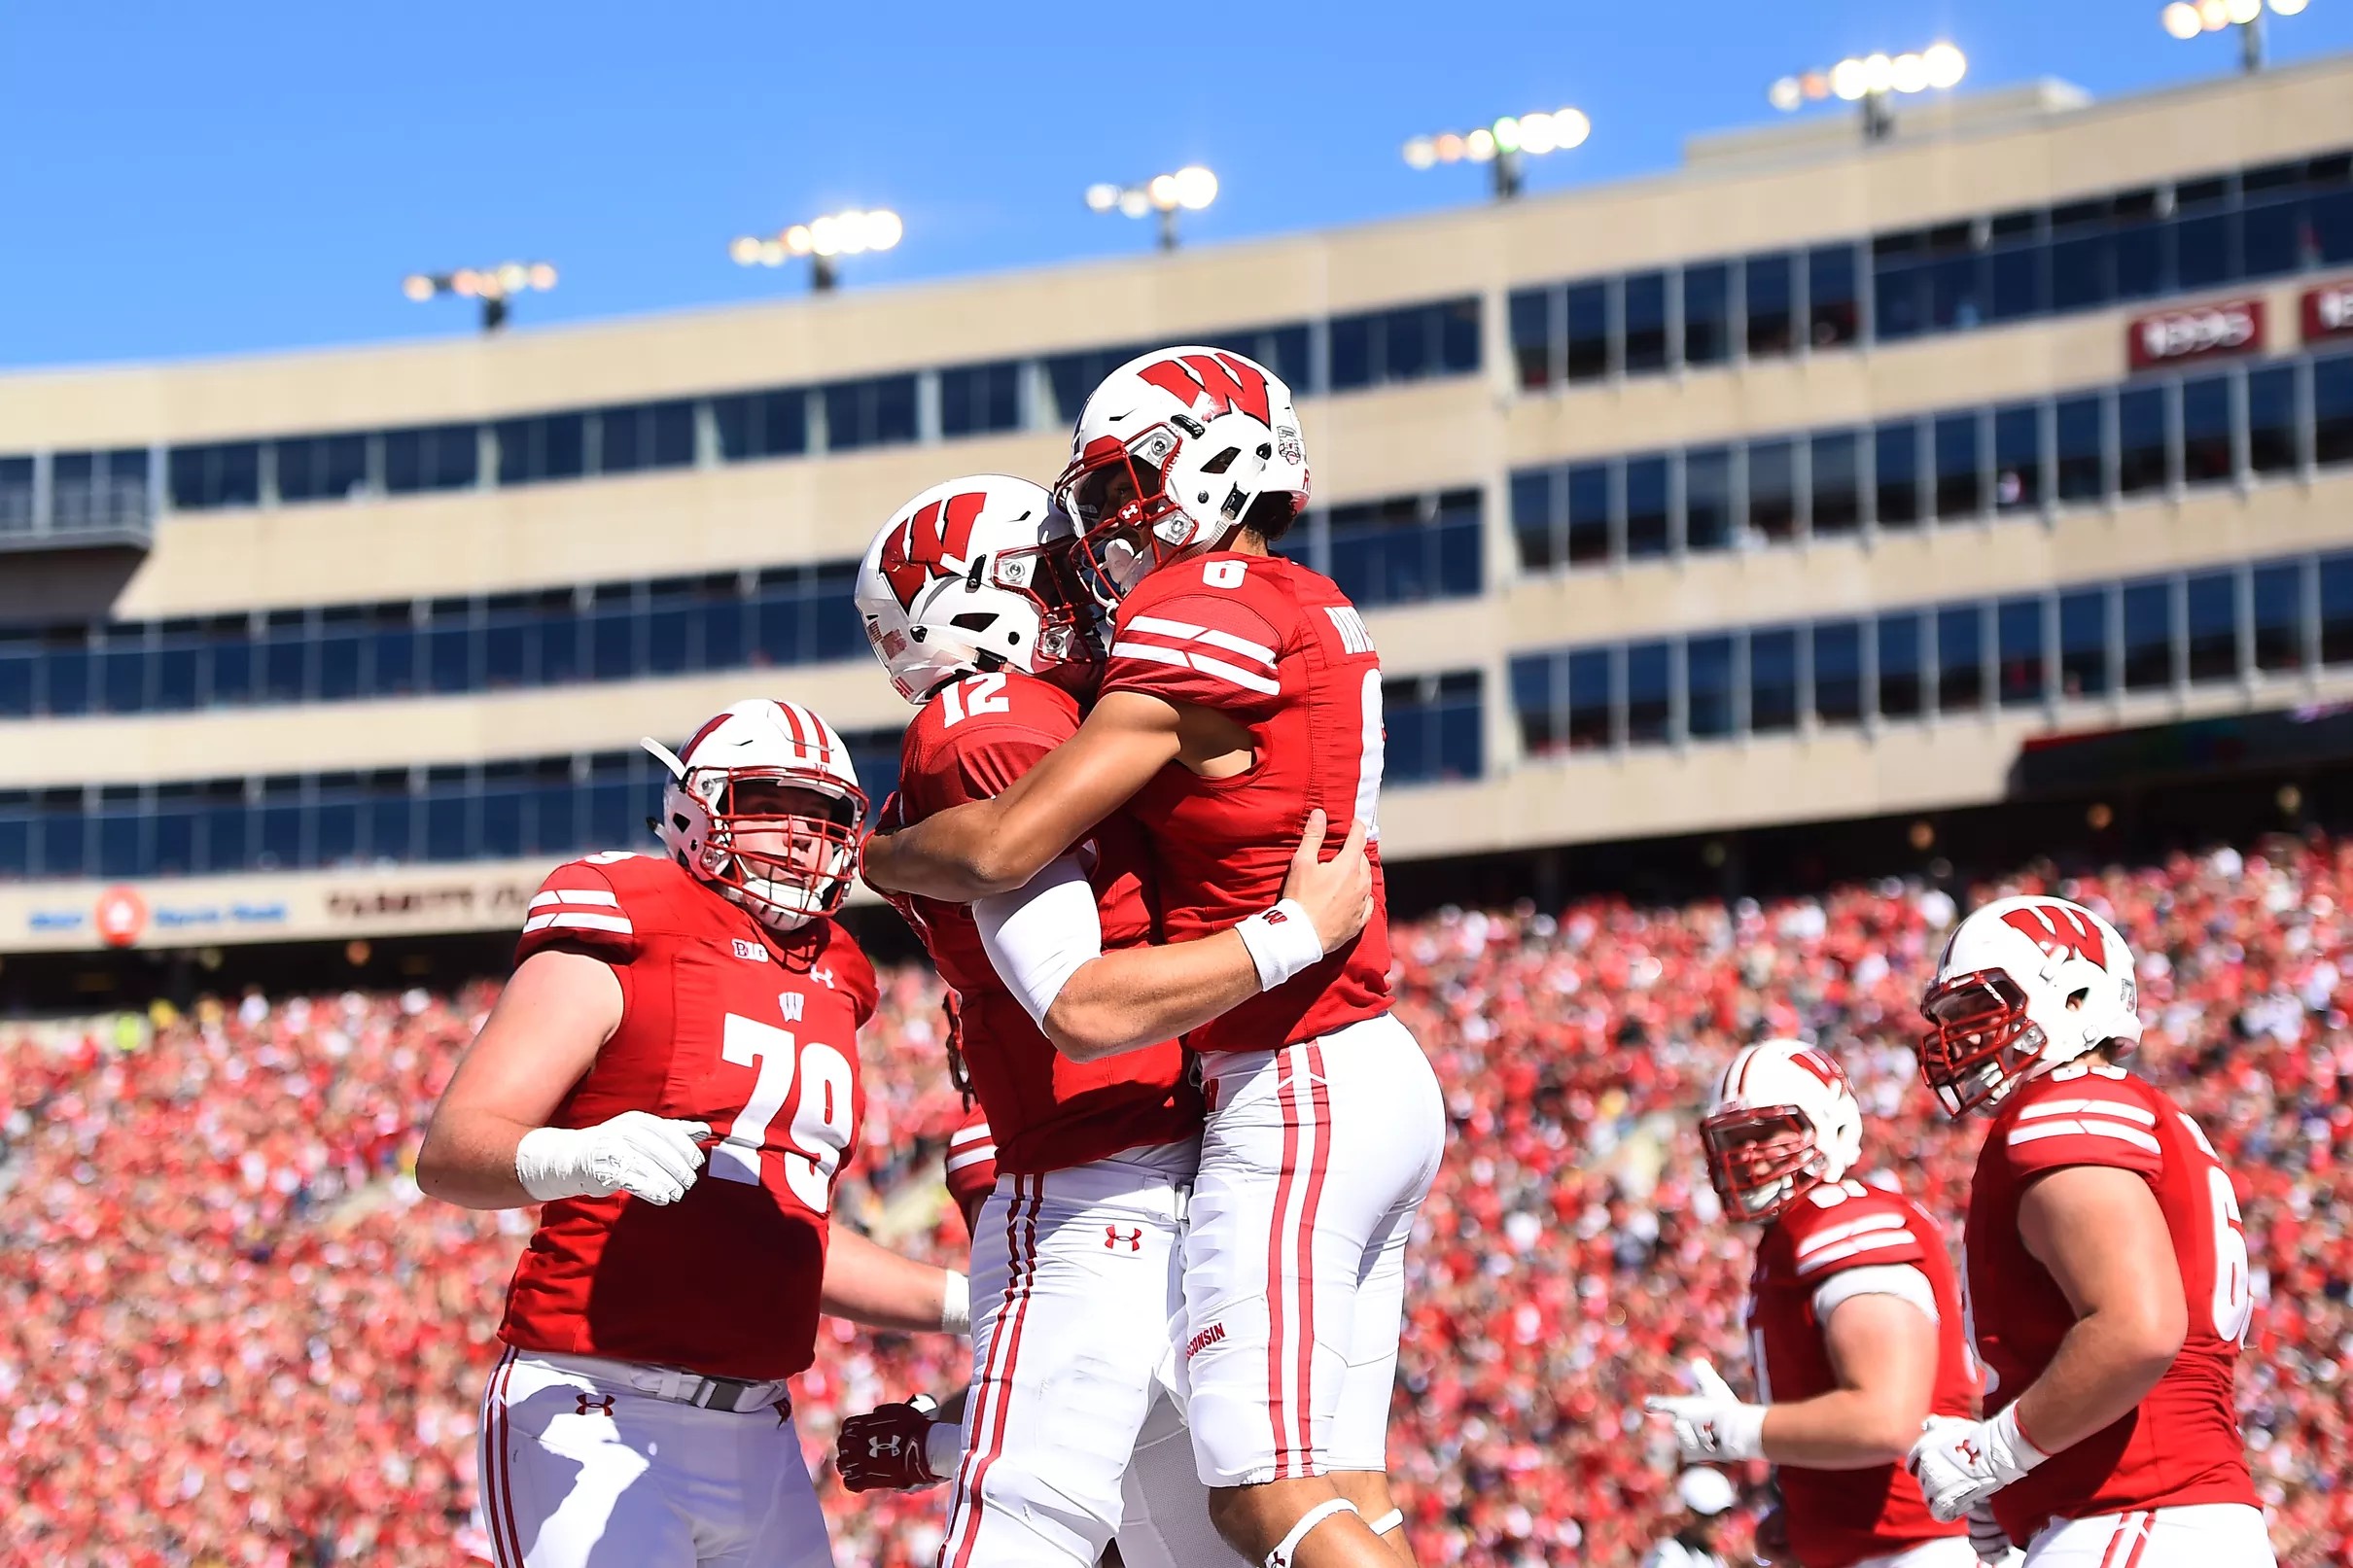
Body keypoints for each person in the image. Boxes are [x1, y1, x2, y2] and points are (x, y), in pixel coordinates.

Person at [861, 351, 1445, 1568]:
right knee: (1328, 1490)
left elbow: (1020, 866)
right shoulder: (1293, 593)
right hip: (1342, 1069)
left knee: (1263, 1499)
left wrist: (880, 856)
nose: (1093, 545)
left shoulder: (1188, 611)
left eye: (1118, 490)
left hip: (1291, 1076)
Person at [418, 699, 968, 1568]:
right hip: (594, 1402)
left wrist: (969, 1306)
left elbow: (794, 1237)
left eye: (825, 815)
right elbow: (450, 1152)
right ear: (696, 807)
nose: (801, 836)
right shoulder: (630, 919)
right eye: (770, 804)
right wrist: (578, 1152)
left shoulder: (839, 974)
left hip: (760, 1426)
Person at [1906, 896, 2275, 1567]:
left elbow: (2137, 1328)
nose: (1961, 1033)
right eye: (1954, 1016)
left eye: (1981, 1006)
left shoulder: (2067, 1107)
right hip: (2163, 1518)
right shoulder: (2124, 1109)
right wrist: (2014, 1478)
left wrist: (1994, 1454)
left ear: (2075, 996)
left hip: (2138, 1514)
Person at [1645, 1039, 1977, 1568]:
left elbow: (1886, 1418)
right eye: (1733, 1139)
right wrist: (1809, 1521)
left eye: (1765, 1133)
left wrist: (1738, 1431)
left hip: (1922, 1547)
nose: (1745, 1155)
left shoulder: (1844, 1219)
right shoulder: (1791, 1237)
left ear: (1832, 1127)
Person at [1640, 1469, 1738, 1568]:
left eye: (1724, 1514)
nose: (1721, 1522)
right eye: (1712, 1516)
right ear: (1688, 1516)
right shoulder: (1667, 1558)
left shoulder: (1711, 1558)